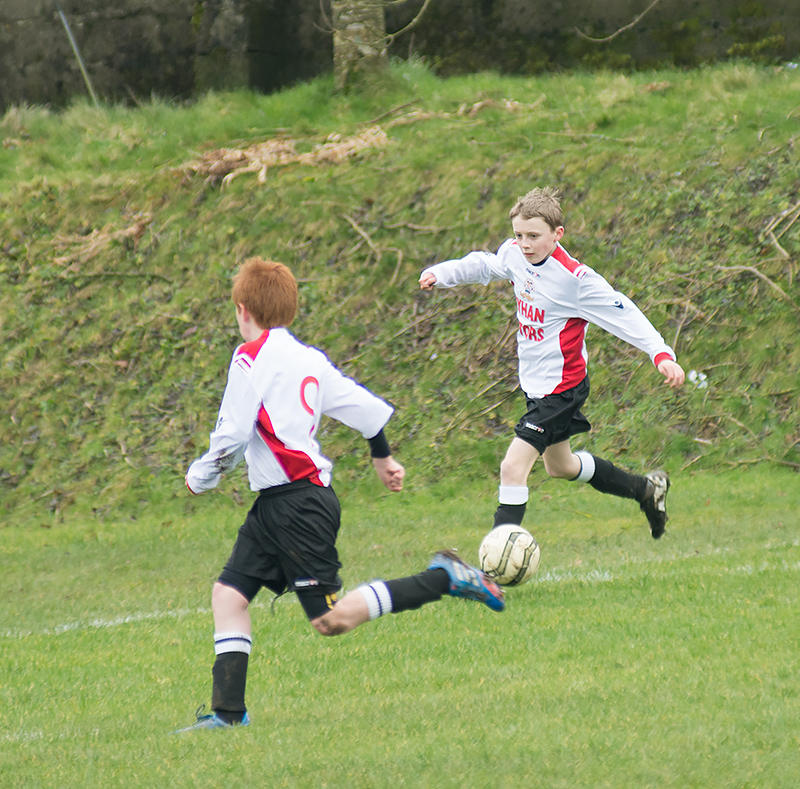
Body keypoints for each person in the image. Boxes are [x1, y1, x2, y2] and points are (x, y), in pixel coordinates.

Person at [174, 257, 504, 733]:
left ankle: (443, 578)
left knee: (330, 620)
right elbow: (366, 410)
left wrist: (199, 478)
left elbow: (231, 435)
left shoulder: (250, 359)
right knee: (228, 595)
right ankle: (227, 714)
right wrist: (382, 457)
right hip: (280, 504)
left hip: (297, 506)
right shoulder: (308, 358)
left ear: (242, 310)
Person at [419, 187, 685, 540]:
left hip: (563, 388)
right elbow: (485, 263)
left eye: (533, 236)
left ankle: (499, 560)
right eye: (518, 235)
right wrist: (443, 273)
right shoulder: (516, 256)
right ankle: (647, 491)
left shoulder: (576, 280)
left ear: (557, 234)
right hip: (536, 384)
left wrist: (660, 353)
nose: (524, 243)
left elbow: (624, 312)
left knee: (512, 467)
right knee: (561, 466)